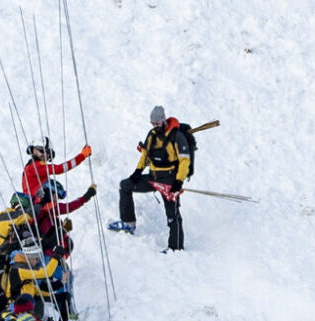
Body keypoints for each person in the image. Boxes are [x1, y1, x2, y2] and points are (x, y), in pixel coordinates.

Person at [109, 106, 190, 251]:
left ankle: (176, 247)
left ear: (163, 120)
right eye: (152, 124)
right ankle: (128, 223)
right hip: (153, 178)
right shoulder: (152, 135)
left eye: (157, 124)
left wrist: (178, 181)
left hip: (169, 181)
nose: (154, 127)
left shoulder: (177, 136)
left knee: (173, 214)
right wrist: (138, 172)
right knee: (125, 186)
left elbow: (184, 161)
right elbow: (145, 155)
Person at [21, 137, 93, 198]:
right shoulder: (35, 166)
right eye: (41, 151)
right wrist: (82, 156)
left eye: (48, 153)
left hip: (37, 201)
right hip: (36, 201)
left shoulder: (34, 165)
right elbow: (59, 169)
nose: (45, 155)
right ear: (33, 150)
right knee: (52, 185)